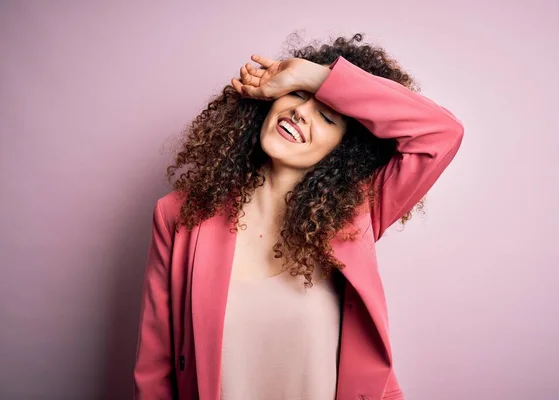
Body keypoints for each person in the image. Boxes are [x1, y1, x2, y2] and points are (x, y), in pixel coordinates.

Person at [133, 33, 464, 400]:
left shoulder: (358, 213)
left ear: (346, 149)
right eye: (296, 96)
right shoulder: (181, 216)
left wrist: (314, 77)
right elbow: (155, 369)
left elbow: (440, 134)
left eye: (326, 116)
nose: (300, 113)